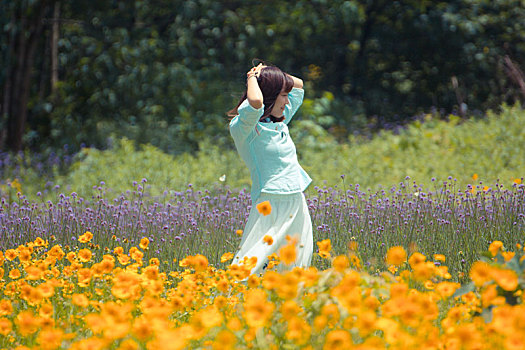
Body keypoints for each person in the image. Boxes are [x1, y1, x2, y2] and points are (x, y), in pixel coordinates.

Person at [228, 62, 313, 275]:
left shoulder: (280, 122)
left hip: (296, 198)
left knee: (296, 263)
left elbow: (300, 85)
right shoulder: (245, 127)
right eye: (282, 95)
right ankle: (232, 303)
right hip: (270, 201)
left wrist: (270, 72)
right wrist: (252, 77)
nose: (287, 100)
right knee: (253, 259)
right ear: (270, 95)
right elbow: (256, 102)